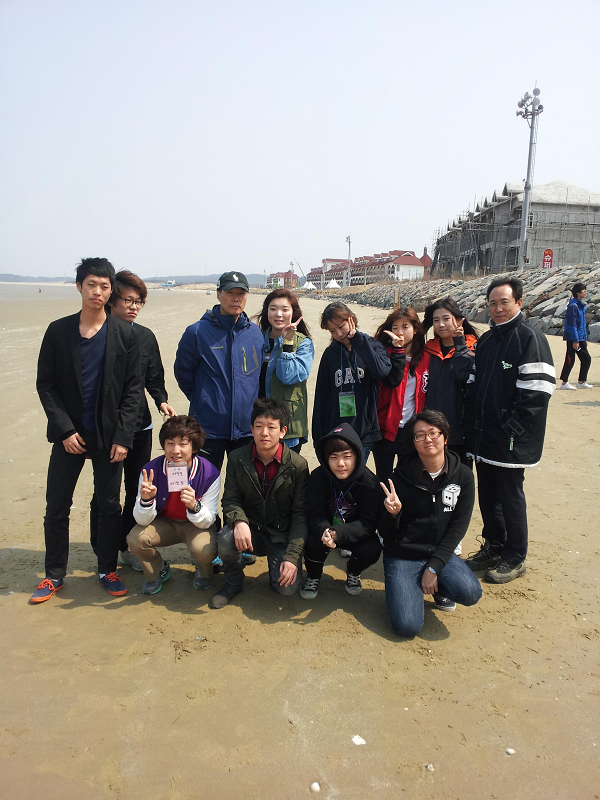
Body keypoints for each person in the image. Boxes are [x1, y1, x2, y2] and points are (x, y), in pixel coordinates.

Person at [31, 258, 142, 603]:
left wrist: (123, 437)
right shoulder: (58, 331)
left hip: (109, 438)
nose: (97, 291)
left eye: (104, 286)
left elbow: (132, 391)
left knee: (109, 505)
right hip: (69, 437)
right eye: (91, 284)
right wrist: (64, 430)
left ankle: (107, 569)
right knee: (57, 506)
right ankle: (54, 575)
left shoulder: (125, 334)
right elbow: (46, 385)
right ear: (79, 286)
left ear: (111, 291)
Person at [464, 277, 555, 584]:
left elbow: (538, 391)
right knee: (488, 495)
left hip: (511, 439)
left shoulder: (530, 338)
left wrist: (511, 427)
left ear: (519, 302)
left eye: (504, 302)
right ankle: (493, 546)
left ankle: (515, 556)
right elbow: (474, 384)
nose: (498, 309)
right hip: (484, 436)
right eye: (492, 303)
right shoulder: (487, 340)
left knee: (510, 496)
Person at [90, 270, 176, 571]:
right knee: (105, 493)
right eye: (128, 300)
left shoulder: (145, 336)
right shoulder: (95, 335)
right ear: (111, 300)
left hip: (140, 426)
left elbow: (154, 377)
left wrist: (161, 399)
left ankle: (126, 545)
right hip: (105, 429)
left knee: (136, 488)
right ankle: (102, 547)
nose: (134, 307)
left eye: (138, 301)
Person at [379, 410, 481, 638]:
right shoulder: (398, 479)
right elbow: (386, 534)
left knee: (470, 592)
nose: (428, 439)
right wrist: (393, 514)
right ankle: (404, 590)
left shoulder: (463, 476)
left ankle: (437, 586)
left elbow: (458, 527)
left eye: (433, 433)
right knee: (407, 626)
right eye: (420, 435)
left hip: (439, 551)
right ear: (413, 443)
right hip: (403, 555)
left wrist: (434, 567)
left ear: (445, 437)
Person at [209, 398, 309, 609]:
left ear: (282, 431)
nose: (264, 433)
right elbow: (230, 499)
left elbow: (301, 515)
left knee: (286, 588)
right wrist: (239, 522)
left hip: (279, 534)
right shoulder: (237, 458)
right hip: (250, 530)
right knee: (225, 538)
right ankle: (233, 581)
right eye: (259, 426)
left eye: (271, 427)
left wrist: (292, 557)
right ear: (251, 429)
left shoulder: (298, 465)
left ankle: (278, 569)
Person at [174, 271, 264, 470]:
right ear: (218, 294)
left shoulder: (255, 333)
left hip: (246, 429)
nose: (236, 298)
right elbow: (183, 374)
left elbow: (255, 376)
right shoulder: (196, 332)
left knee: (243, 485)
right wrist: (205, 400)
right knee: (202, 483)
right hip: (206, 430)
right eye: (230, 292)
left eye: (241, 293)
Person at [127, 416, 221, 595]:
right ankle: (158, 570)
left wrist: (194, 505)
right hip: (165, 523)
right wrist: (146, 500)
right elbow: (141, 520)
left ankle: (203, 570)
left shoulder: (210, 473)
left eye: (183, 444)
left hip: (194, 526)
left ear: (194, 447)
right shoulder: (150, 471)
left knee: (204, 549)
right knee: (136, 540)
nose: (175, 451)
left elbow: (209, 520)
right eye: (170, 443)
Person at [300, 424, 382, 600]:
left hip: (354, 533)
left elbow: (368, 523)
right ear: (325, 459)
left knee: (372, 548)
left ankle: (353, 571)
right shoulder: (318, 478)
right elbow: (314, 513)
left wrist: (339, 533)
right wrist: (325, 530)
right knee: (310, 540)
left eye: (347, 456)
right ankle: (313, 575)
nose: (341, 464)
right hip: (325, 531)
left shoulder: (369, 483)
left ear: (357, 456)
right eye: (334, 457)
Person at [312, 302, 391, 461]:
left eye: (341, 327)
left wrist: (358, 341)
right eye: (332, 331)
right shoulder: (330, 353)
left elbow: (381, 371)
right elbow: (321, 395)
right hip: (335, 431)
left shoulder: (372, 346)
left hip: (364, 431)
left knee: (358, 474)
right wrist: (318, 436)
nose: (338, 334)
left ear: (352, 319)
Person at [371, 307, 429, 481]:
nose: (399, 332)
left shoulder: (426, 357)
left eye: (405, 327)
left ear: (416, 329)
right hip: (385, 427)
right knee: (384, 478)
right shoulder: (383, 354)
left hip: (412, 430)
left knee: (409, 478)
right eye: (395, 327)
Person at [255, 289, 314, 453]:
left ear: (293, 313)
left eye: (285, 309)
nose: (278, 314)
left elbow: (288, 376)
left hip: (288, 426)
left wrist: (287, 343)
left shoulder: (303, 343)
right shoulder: (256, 339)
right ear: (266, 311)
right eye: (273, 309)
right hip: (259, 424)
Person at [423, 297, 478, 466]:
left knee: (459, 476)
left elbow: (465, 377)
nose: (441, 325)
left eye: (446, 319)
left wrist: (459, 343)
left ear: (459, 319)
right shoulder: (428, 350)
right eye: (436, 320)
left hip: (460, 431)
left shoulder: (473, 348)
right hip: (431, 430)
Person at [559, 282, 592, 390]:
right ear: (578, 292)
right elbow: (571, 325)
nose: (585, 291)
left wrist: (585, 338)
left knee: (583, 359)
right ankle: (565, 383)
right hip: (574, 338)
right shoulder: (573, 306)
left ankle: (581, 381)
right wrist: (575, 340)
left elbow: (582, 324)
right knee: (572, 359)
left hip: (580, 337)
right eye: (583, 290)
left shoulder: (581, 305)